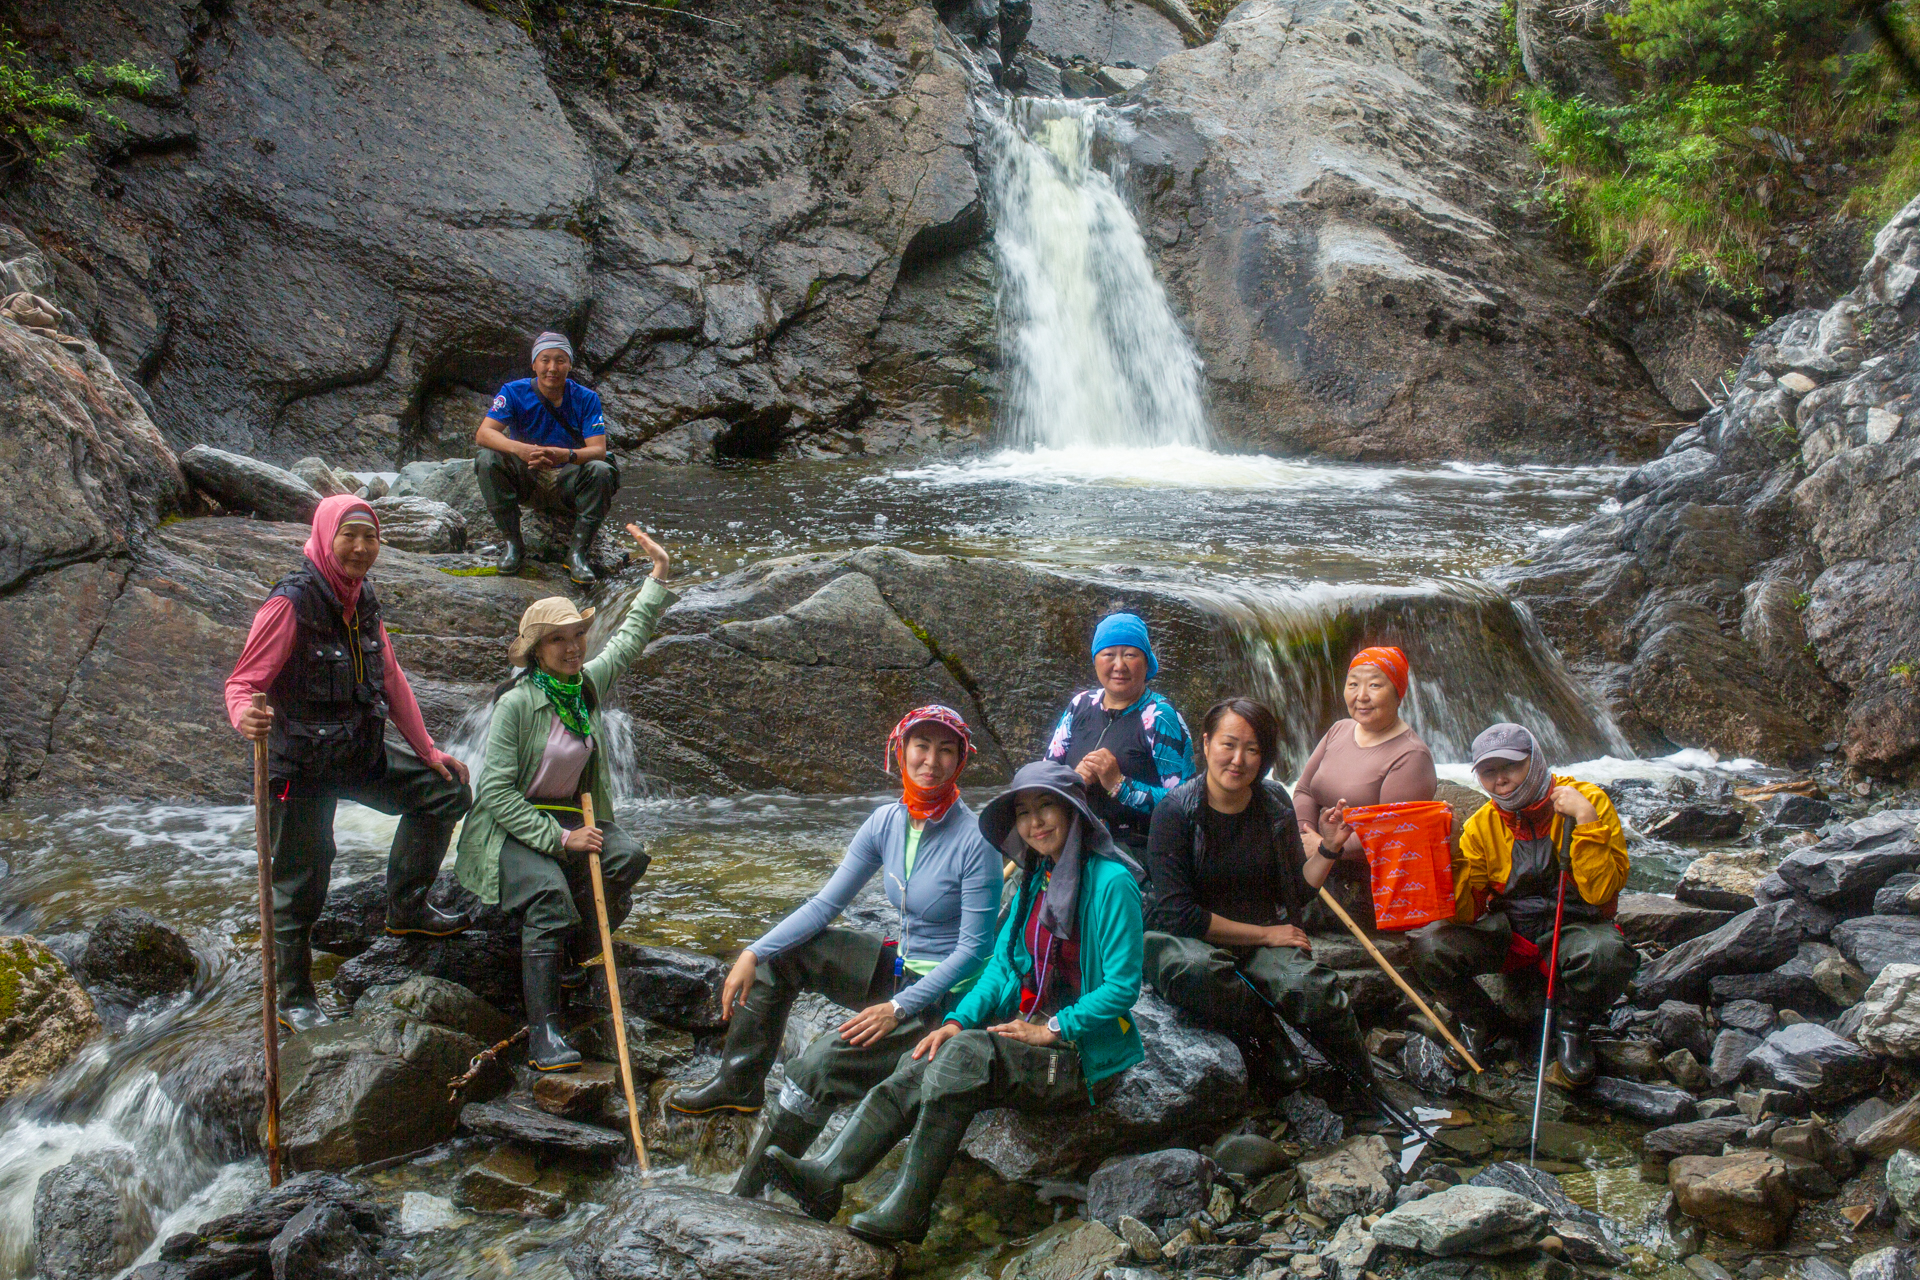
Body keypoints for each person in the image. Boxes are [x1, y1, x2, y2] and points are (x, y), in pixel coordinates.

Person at [765, 760, 1145, 1245]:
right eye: (1024, 813)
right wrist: (955, 1019)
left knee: (965, 1056)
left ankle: (909, 1209)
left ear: (1075, 812)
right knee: (929, 1049)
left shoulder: (1112, 883)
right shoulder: (1036, 878)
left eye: (1047, 806)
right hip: (1033, 1031)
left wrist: (1052, 1029)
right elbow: (1002, 967)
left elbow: (1121, 988)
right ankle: (827, 1176)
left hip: (1084, 1057)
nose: (1035, 822)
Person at [667, 706, 1003, 1203]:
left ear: (960, 762)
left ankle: (748, 1195)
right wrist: (752, 951)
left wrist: (898, 1009)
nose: (931, 760)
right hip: (899, 971)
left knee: (816, 1066)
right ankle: (738, 1082)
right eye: (921, 746)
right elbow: (825, 905)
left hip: (944, 1000)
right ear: (901, 750)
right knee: (786, 954)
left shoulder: (977, 841)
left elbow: (975, 953)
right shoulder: (885, 822)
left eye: (945, 750)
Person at [226, 496, 474, 1034]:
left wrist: (428, 751)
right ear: (325, 537)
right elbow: (242, 683)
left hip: (359, 753)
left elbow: (391, 679)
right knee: (300, 881)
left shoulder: (363, 600)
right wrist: (245, 716)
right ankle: (292, 996)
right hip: (301, 767)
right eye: (350, 536)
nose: (361, 548)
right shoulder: (290, 603)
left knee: (446, 791)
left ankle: (406, 908)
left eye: (371, 537)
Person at [452, 524, 675, 1070]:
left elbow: (627, 641)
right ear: (536, 649)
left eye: (576, 634)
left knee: (627, 857)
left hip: (574, 817)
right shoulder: (516, 704)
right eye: (558, 639)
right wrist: (561, 838)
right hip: (514, 826)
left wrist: (658, 577)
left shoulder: (586, 686)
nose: (573, 646)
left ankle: (569, 955)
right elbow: (496, 792)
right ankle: (544, 1032)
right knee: (549, 894)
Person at [1144, 697, 1374, 1100]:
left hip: (1258, 936)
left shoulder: (1273, 803)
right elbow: (1176, 914)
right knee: (1197, 971)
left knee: (1312, 987)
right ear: (1206, 743)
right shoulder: (1174, 812)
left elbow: (1295, 891)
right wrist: (1268, 937)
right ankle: (1267, 1034)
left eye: (1253, 749)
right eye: (1228, 745)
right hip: (1186, 941)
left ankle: (1365, 1085)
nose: (1238, 760)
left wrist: (1330, 849)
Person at [1404, 722, 1633, 1085]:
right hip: (1514, 934)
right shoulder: (1481, 826)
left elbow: (1602, 893)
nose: (1501, 780)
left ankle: (1571, 1028)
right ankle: (1479, 1022)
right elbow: (1467, 912)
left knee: (1608, 954)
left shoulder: (1587, 800)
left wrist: (1586, 820)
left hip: (1574, 927)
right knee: (1430, 947)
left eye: (1511, 766)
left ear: (1536, 760)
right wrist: (1448, 855)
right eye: (1489, 772)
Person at [474, 331, 620, 585]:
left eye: (560, 360)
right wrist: (520, 449)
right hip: (528, 477)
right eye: (545, 360)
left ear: (570, 364)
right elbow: (484, 434)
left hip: (568, 481)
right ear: (534, 364)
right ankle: (514, 545)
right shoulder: (513, 392)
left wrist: (566, 455)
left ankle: (576, 555)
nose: (552, 368)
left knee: (601, 469)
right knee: (487, 458)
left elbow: (598, 450)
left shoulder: (586, 398)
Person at [1044, 611, 1197, 852]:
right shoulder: (1080, 705)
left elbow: (1188, 802)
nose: (1119, 665)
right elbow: (1046, 775)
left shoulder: (1160, 716)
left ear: (1146, 662)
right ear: (1095, 661)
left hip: (1141, 851)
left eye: (1130, 655)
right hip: (1075, 842)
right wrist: (1073, 780)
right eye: (1108, 655)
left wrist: (1120, 785)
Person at [1293, 645, 1437, 860]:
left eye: (1374, 685)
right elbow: (1304, 790)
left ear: (1398, 694)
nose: (1361, 696)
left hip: (1366, 875)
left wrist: (1326, 848)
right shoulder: (1338, 729)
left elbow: (1390, 830)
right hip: (1314, 854)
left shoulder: (1412, 756)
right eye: (1353, 684)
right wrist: (1304, 835)